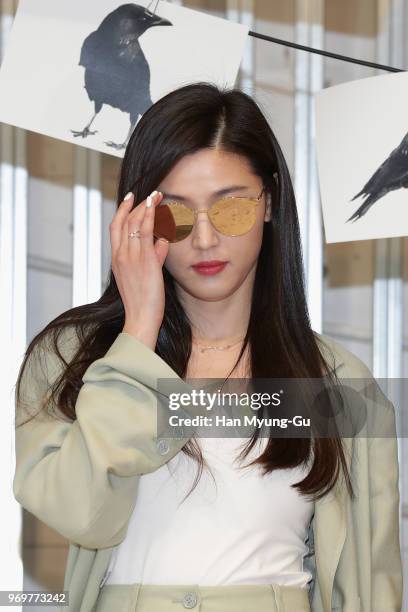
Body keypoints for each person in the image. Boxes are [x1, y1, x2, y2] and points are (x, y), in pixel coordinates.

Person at [13, 82, 402, 612]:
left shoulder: (335, 383)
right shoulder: (71, 360)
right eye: (176, 213)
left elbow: (369, 581)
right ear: (139, 218)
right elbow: (79, 511)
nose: (205, 240)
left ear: (268, 203)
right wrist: (138, 337)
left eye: (232, 209)